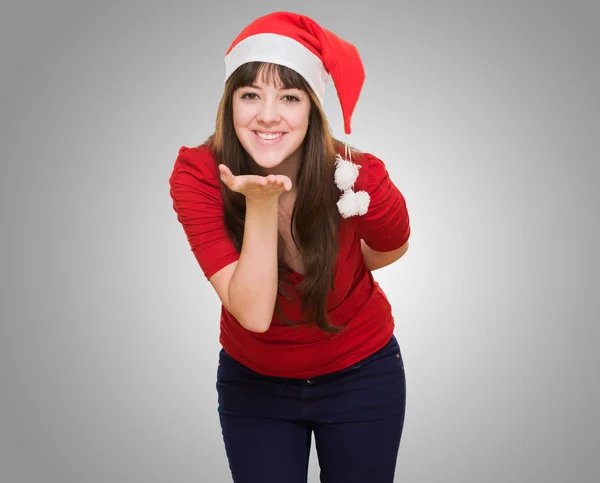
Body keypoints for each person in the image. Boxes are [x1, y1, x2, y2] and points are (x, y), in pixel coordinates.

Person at [168, 11, 411, 483]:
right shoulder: (198, 175)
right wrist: (261, 202)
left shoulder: (359, 181)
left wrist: (339, 266)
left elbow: (393, 246)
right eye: (251, 94)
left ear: (313, 108)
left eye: (290, 97)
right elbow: (254, 314)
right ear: (230, 103)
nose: (267, 115)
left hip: (362, 374)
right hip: (254, 384)